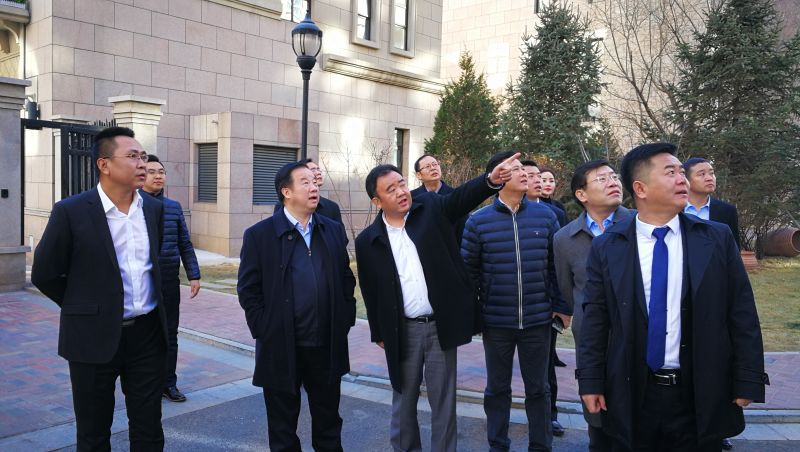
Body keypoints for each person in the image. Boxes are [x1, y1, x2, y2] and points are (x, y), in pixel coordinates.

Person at [577, 143, 769, 451]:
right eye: (670, 172)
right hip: (632, 392)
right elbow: (596, 320)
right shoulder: (608, 246)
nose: (683, 179)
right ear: (640, 188)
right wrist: (590, 381)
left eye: (682, 172)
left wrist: (748, 378)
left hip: (700, 392)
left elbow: (741, 312)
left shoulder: (716, 238)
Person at [355, 154, 519, 452]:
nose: (401, 192)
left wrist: (490, 181)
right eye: (391, 189)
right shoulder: (368, 240)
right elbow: (370, 289)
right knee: (403, 399)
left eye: (401, 184)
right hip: (401, 330)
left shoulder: (430, 208)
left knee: (443, 401)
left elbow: (460, 199)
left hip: (438, 326)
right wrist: (378, 331)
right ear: (377, 202)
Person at [32, 126, 168, 450]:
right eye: (132, 156)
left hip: (146, 335)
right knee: (93, 433)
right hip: (91, 336)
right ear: (104, 164)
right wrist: (85, 306)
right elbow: (44, 273)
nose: (142, 164)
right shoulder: (71, 211)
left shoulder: (154, 209)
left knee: (149, 429)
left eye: (143, 156)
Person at [237, 161, 356, 451]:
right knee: (282, 428)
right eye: (305, 182)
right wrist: (265, 329)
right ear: (286, 192)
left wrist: (344, 319)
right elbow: (248, 290)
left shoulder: (331, 229)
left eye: (315, 181)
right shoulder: (260, 235)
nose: (314, 186)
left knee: (329, 423)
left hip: (325, 344)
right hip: (281, 346)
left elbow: (345, 279)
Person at [461, 151, 571, 451]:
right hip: (497, 322)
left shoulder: (546, 216)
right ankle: (498, 445)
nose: (524, 173)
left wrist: (561, 307)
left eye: (525, 169)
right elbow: (469, 273)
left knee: (539, 389)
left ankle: (541, 445)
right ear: (498, 177)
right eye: (516, 169)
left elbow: (555, 266)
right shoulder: (478, 221)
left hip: (538, 320)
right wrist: (477, 314)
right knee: (497, 389)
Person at [553, 159, 633, 451]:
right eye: (602, 179)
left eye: (614, 176)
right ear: (581, 194)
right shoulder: (564, 239)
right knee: (598, 419)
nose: (613, 182)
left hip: (637, 333)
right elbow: (569, 290)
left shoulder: (640, 224)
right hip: (592, 340)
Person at [140, 154, 201, 403]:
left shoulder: (174, 207)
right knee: (145, 335)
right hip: (143, 281)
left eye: (161, 172)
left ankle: (169, 384)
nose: (158, 176)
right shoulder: (133, 205)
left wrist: (194, 274)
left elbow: (184, 242)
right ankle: (147, 384)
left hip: (168, 281)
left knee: (170, 334)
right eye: (152, 171)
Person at [521, 159, 567, 436]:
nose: (538, 180)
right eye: (531, 176)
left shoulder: (554, 213)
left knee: (546, 364)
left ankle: (551, 415)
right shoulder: (500, 213)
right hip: (511, 306)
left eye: (540, 175)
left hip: (545, 304)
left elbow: (559, 263)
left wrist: (561, 305)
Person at [683, 157, 741, 249]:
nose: (709, 178)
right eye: (702, 174)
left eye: (712, 173)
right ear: (686, 180)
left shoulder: (727, 211)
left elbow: (733, 249)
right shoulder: (674, 210)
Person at [410, 153, 468, 245]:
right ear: (419, 175)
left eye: (435, 164)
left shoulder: (455, 196)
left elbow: (463, 230)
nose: (433, 168)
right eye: (428, 166)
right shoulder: (412, 198)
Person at [306, 159, 344, 225]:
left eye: (318, 169)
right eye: (313, 170)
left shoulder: (332, 207)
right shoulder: (292, 207)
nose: (318, 173)